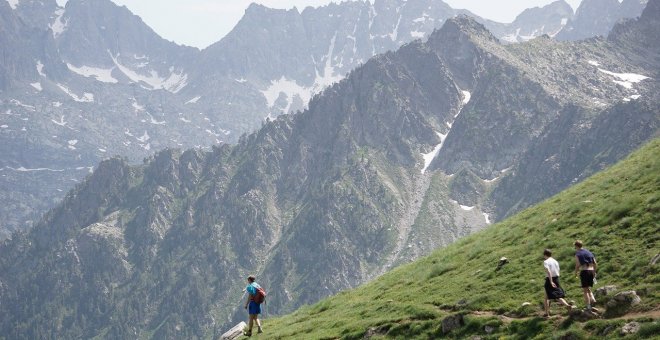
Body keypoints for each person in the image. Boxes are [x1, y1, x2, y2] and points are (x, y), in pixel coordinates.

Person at [542, 249, 573, 317]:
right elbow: (558, 270)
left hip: (549, 279)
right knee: (558, 295)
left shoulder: (546, 262)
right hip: (556, 278)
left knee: (546, 297)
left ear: (545, 255)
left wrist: (550, 281)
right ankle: (567, 305)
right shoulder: (555, 261)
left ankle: (547, 313)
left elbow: (548, 271)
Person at [573, 240, 597, 311]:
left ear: (576, 246)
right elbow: (595, 263)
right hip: (591, 270)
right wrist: (594, 272)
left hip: (584, 271)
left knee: (585, 290)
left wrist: (576, 272)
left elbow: (578, 265)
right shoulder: (589, 252)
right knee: (587, 287)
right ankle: (593, 299)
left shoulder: (578, 254)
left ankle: (588, 306)